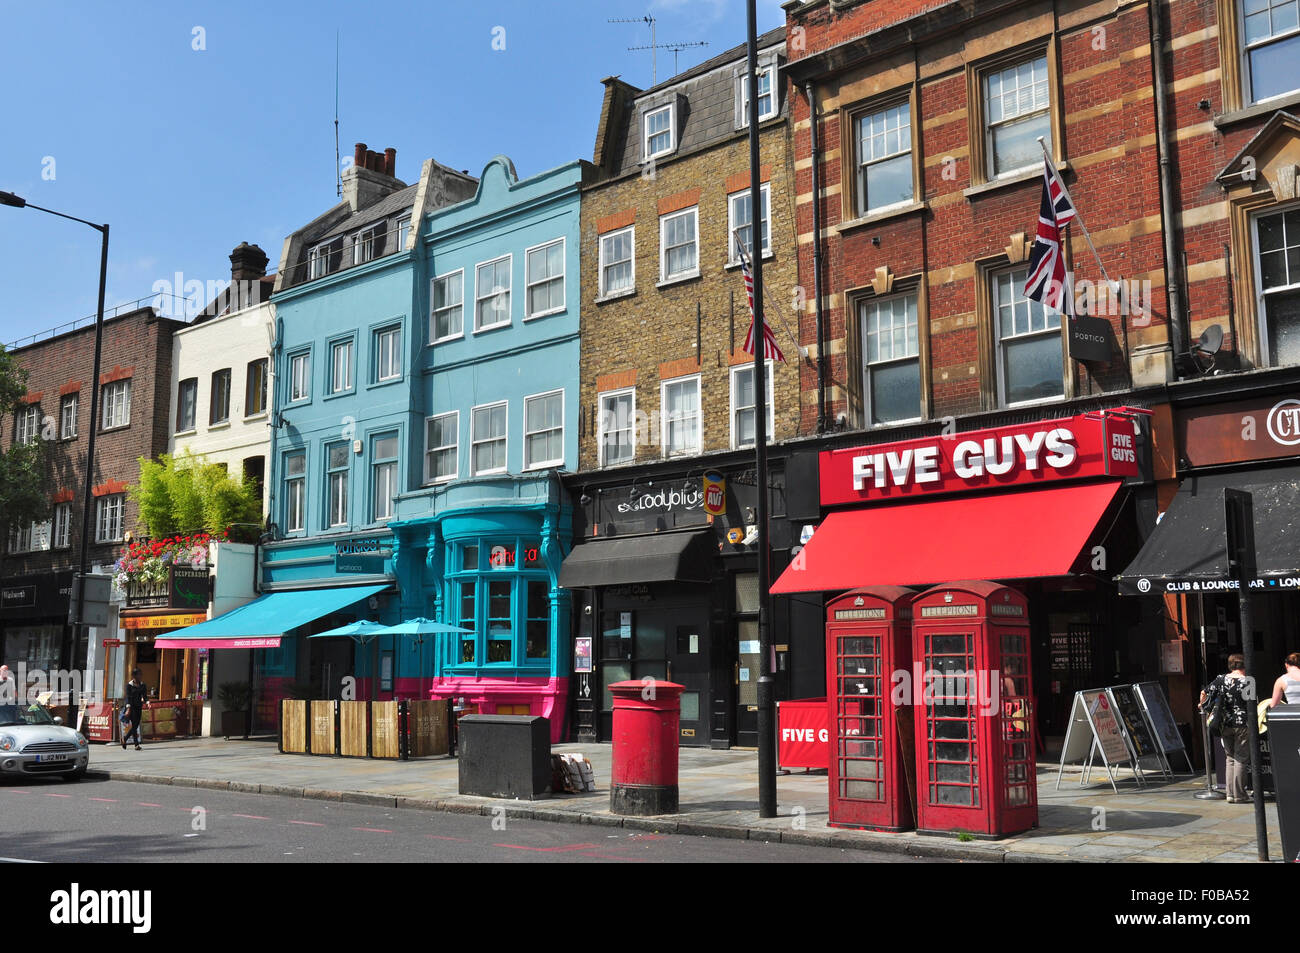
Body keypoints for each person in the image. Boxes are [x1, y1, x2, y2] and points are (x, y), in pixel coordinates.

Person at [1199, 654, 1253, 803]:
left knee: (1230, 758)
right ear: (1244, 665)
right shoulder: (1248, 681)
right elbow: (1252, 705)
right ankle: (1240, 795)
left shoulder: (1221, 679)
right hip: (1243, 724)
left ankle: (1229, 794)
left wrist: (1202, 706)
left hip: (1224, 724)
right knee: (1241, 758)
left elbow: (1204, 692)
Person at [123, 669, 147, 751]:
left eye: (141, 674)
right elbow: (128, 697)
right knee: (134, 725)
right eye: (139, 675)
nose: (140, 676)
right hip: (131, 707)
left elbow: (145, 696)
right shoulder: (129, 685)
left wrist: (148, 702)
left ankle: (125, 739)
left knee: (135, 726)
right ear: (134, 676)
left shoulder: (143, 685)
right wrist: (128, 708)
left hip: (139, 707)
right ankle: (136, 745)